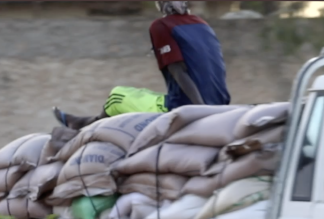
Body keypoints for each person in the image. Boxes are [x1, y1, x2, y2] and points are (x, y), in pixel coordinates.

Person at [53, 1, 230, 130]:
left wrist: (200, 110)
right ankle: (86, 123)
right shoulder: (202, 24)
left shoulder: (161, 26)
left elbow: (178, 70)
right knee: (144, 94)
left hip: (185, 104)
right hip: (220, 102)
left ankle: (83, 125)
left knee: (118, 96)